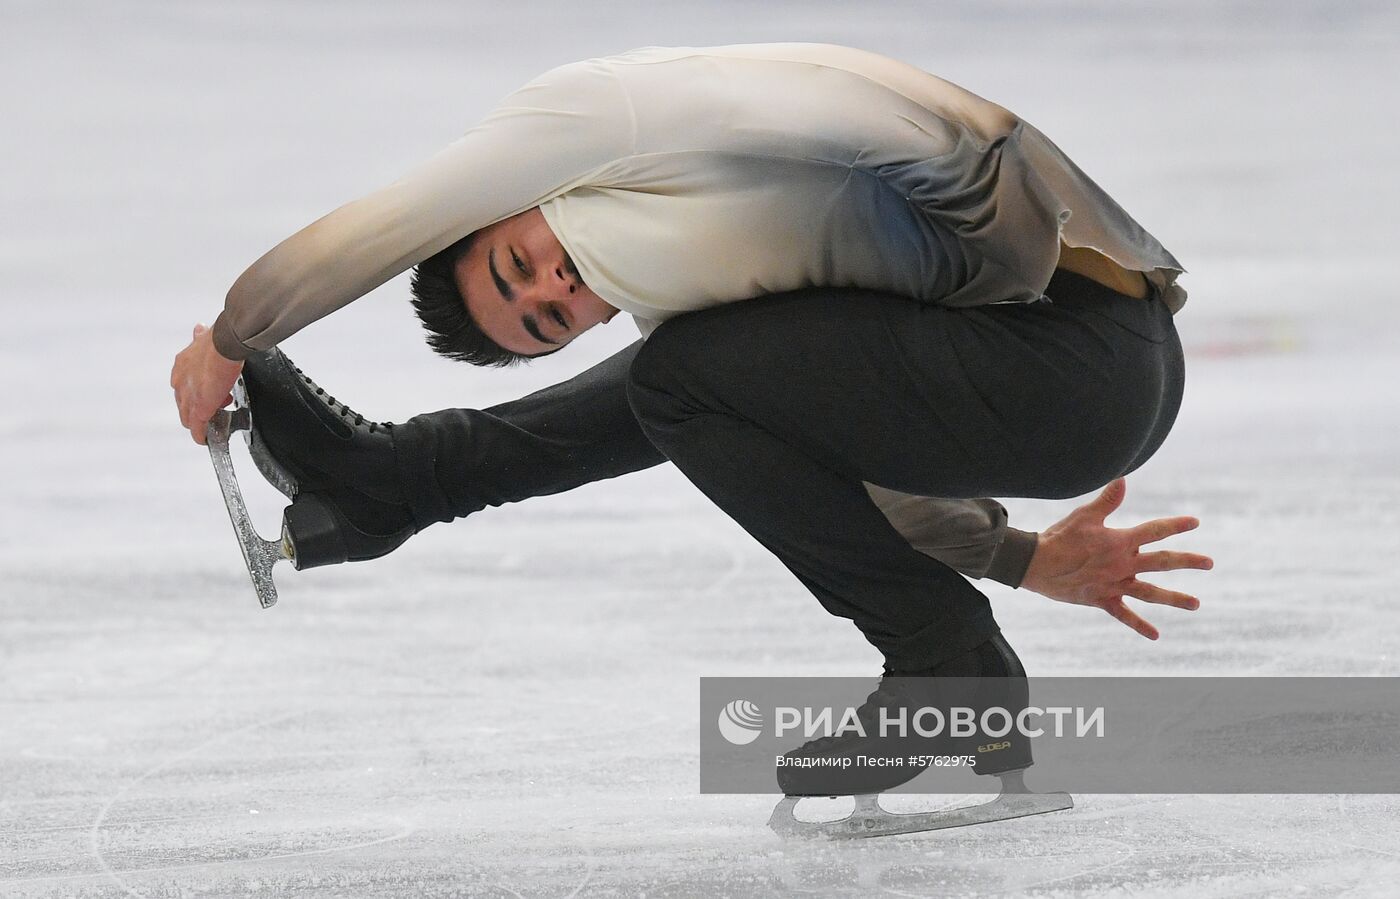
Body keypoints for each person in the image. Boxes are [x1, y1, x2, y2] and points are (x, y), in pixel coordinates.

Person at [172, 44, 1211, 802]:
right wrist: (1013, 555)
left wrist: (236, 334)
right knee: (692, 373)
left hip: (1072, 347)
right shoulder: (695, 269)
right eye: (548, 321)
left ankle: (943, 662)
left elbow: (402, 217)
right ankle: (397, 479)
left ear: (504, 208)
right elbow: (850, 432)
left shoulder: (594, 117)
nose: (554, 287)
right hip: (1072, 364)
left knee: (680, 379)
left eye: (517, 262)